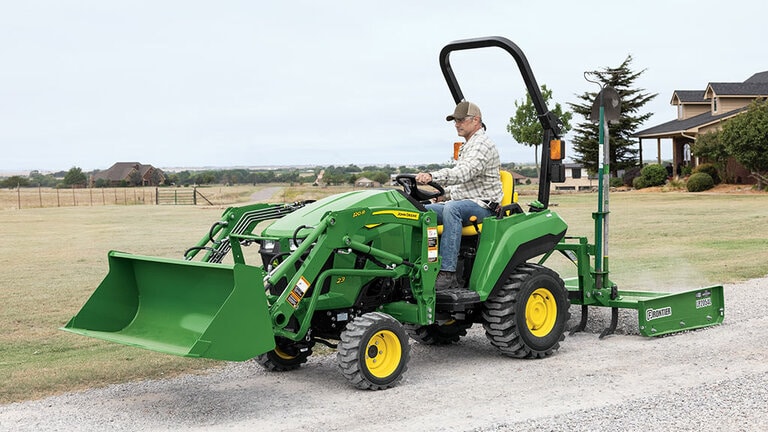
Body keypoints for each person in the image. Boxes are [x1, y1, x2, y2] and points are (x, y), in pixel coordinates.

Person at [416, 101, 503, 291]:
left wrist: (432, 176)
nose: (457, 124)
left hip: (485, 206)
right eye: (455, 120)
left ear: (476, 120)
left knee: (452, 209)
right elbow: (464, 186)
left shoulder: (482, 145)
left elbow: (464, 173)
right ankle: (421, 265)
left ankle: (448, 273)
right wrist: (438, 195)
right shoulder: (467, 146)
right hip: (465, 201)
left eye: (461, 120)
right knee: (421, 212)